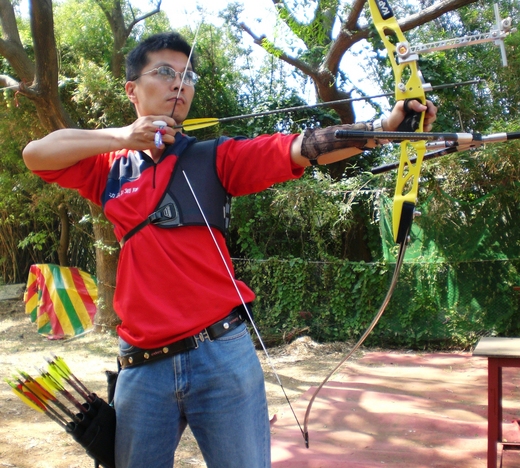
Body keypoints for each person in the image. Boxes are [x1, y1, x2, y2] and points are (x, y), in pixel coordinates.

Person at [22, 32, 437, 468]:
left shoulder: (216, 157)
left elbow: (298, 148)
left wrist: (385, 128)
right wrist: (124, 136)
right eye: (164, 72)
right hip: (142, 364)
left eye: (187, 76)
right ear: (132, 89)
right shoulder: (109, 168)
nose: (179, 83)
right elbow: (36, 154)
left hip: (220, 355)